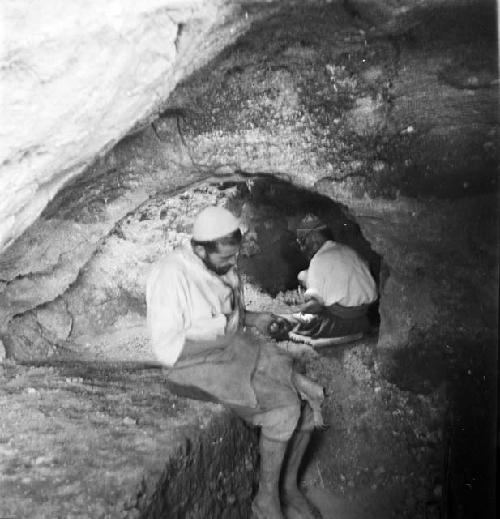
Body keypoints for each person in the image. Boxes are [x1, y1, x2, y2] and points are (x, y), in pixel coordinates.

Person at [146, 205, 324, 519]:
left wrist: (255, 319)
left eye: (235, 256)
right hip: (190, 363)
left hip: (228, 350)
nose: (233, 263)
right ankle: (266, 501)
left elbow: (231, 317)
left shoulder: (219, 266)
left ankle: (288, 487)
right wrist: (224, 330)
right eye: (226, 258)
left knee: (307, 407)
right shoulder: (170, 275)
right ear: (200, 249)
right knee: (285, 407)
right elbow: (165, 348)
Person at [290, 214, 378, 345]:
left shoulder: (318, 260)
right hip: (366, 316)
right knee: (303, 276)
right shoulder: (347, 250)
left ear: (314, 237)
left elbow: (316, 306)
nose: (302, 249)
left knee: (297, 327)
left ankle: (346, 335)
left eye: (303, 242)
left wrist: (295, 309)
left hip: (343, 321)